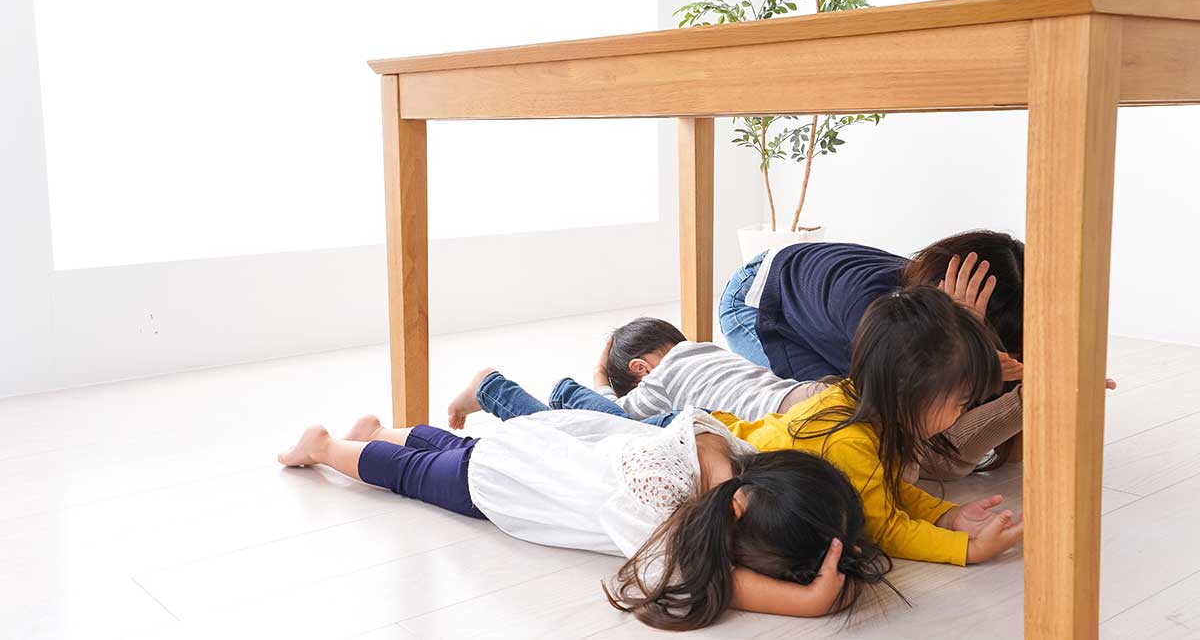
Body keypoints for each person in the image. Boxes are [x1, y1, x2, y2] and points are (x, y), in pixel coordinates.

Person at [276, 408, 893, 630]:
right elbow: (704, 577)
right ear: (736, 518)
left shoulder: (732, 467)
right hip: (513, 484)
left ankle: (381, 430)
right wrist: (804, 603)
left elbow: (705, 430)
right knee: (419, 477)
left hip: (536, 447)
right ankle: (328, 447)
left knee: (453, 448)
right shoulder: (660, 512)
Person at [720, 230, 1113, 479]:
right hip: (758, 302)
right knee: (855, 421)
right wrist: (962, 340)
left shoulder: (919, 310)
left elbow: (989, 449)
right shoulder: (876, 312)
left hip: (817, 284)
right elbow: (932, 456)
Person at [715, 286, 1025, 566]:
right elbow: (885, 529)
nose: (962, 412)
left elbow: (888, 490)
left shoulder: (870, 410)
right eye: (961, 402)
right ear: (911, 389)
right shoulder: (846, 440)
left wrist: (947, 515)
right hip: (716, 459)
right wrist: (967, 550)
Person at [447, 316, 823, 430]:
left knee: (609, 429)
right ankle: (491, 389)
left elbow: (619, 417)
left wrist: (598, 378)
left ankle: (491, 388)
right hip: (802, 394)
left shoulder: (660, 379)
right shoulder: (709, 351)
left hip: (782, 420)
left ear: (640, 369)